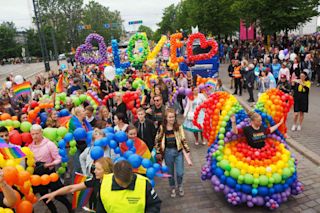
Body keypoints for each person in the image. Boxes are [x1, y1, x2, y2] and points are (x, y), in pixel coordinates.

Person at [40, 157, 113, 211]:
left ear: (106, 171)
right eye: (95, 168)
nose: (94, 171)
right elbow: (71, 188)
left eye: (98, 169)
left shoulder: (114, 185)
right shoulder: (96, 180)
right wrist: (54, 193)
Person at [29, 124, 72, 213]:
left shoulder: (49, 144)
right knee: (44, 197)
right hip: (38, 175)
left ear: (41, 133)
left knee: (59, 195)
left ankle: (70, 208)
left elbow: (58, 159)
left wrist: (48, 165)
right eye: (33, 134)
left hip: (50, 173)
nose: (35, 136)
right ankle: (54, 211)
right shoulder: (30, 147)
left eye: (37, 133)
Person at [155, 108, 191, 198]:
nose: (172, 119)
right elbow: (157, 140)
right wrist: (158, 151)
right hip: (168, 152)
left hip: (178, 151)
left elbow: (183, 139)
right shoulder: (162, 128)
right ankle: (172, 187)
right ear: (166, 118)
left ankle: (180, 185)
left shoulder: (178, 126)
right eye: (170, 117)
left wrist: (187, 150)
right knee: (170, 172)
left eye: (173, 117)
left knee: (180, 172)